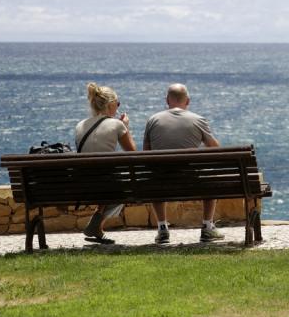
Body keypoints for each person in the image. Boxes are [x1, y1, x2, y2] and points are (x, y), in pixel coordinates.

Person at [144, 83, 224, 243]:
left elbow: (146, 153)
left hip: (161, 183)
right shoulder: (198, 120)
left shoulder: (152, 120)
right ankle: (207, 227)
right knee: (211, 179)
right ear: (187, 101)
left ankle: (162, 229)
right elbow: (215, 148)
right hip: (191, 182)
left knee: (156, 175)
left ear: (167, 100)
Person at [75, 82, 136, 243]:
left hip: (83, 184)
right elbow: (133, 153)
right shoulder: (117, 124)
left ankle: (96, 227)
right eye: (118, 104)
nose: (118, 107)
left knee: (105, 180)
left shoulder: (80, 125)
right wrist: (125, 127)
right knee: (126, 188)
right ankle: (97, 224)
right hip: (106, 184)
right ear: (110, 105)